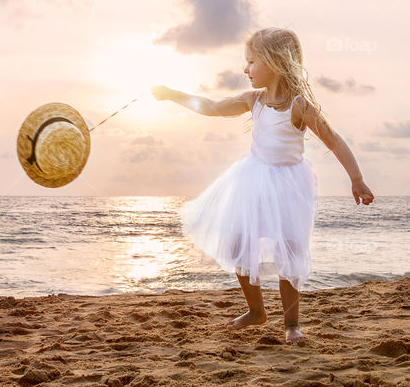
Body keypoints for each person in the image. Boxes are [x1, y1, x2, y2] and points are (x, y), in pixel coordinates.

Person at [151, 27, 374, 344]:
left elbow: (334, 140)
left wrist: (356, 178)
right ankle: (256, 311)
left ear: (275, 62)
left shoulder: (299, 106)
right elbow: (212, 107)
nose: (246, 69)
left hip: (290, 185)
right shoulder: (253, 100)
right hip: (253, 180)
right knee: (238, 244)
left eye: (251, 61)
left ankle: (292, 324)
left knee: (290, 252)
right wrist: (173, 94)